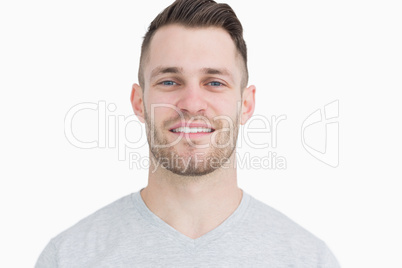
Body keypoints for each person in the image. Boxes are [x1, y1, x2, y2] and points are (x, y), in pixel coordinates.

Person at [36, 0, 340, 267]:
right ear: (139, 102)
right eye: (169, 81)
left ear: (246, 104)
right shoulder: (69, 257)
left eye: (215, 82)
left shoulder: (310, 260)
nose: (192, 103)